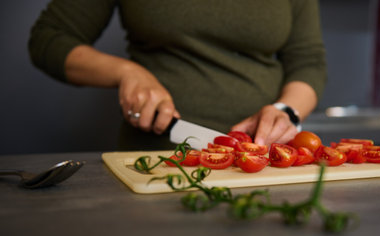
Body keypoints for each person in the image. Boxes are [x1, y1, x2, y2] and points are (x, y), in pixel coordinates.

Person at [29, 0, 327, 150]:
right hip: (156, 159)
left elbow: (308, 60)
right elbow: (50, 38)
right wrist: (125, 72)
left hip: (265, 162)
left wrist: (287, 110)